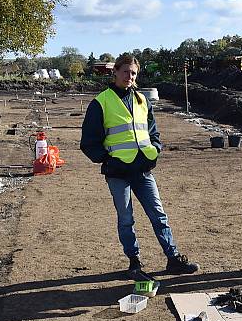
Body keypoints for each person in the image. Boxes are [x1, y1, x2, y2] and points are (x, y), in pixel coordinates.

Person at [80, 54, 198, 279]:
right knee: (126, 218)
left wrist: (155, 150)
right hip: (117, 172)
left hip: (143, 169)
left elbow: (153, 132)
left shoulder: (143, 100)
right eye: (125, 72)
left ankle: (173, 259)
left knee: (158, 215)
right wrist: (107, 160)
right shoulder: (101, 102)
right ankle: (134, 262)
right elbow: (88, 142)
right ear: (115, 71)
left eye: (133, 73)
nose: (129, 76)